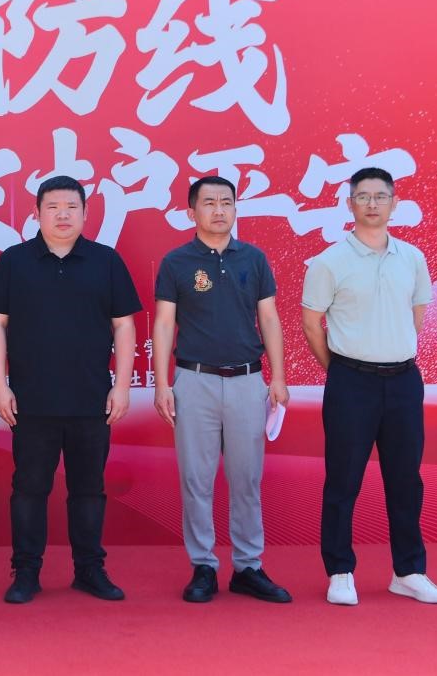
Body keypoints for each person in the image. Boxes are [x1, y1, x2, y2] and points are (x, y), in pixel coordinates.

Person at [0, 175, 141, 605]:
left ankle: (89, 569)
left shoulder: (105, 261)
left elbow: (124, 325)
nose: (63, 215)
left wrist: (122, 386)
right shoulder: (15, 261)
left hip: (92, 399)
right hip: (30, 401)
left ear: (86, 213)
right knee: (29, 488)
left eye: (72, 207)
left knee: (88, 489)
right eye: (53, 207)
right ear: (36, 213)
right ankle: (26, 571)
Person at [302, 167, 437, 606]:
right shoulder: (329, 261)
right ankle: (339, 571)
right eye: (362, 196)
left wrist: (391, 352)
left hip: (403, 381)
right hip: (351, 382)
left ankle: (409, 571)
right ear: (349, 204)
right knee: (343, 480)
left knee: (405, 480)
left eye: (380, 196)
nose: (371, 204)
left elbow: (416, 316)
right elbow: (311, 324)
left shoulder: (412, 258)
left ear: (394, 203)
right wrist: (343, 369)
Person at [152, 176, 292, 604]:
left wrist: (278, 377)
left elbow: (269, 318)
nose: (218, 210)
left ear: (235, 209)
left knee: (246, 478)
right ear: (191, 211)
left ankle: (248, 566)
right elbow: (163, 324)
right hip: (194, 380)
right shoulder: (176, 262)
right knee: (196, 478)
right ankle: (203, 566)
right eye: (209, 202)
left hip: (248, 381)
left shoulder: (254, 259)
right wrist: (162, 383)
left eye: (226, 202)